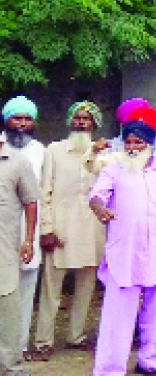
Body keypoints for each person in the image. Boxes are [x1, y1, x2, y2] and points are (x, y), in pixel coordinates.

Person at [88, 106, 156, 375]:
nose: (133, 147)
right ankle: (110, 369)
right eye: (129, 142)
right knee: (117, 315)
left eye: (138, 142)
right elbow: (96, 197)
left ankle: (153, 363)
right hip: (125, 253)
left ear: (150, 143)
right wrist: (101, 210)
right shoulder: (114, 169)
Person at [32, 102, 105, 361]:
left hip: (92, 230)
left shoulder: (103, 154)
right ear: (70, 121)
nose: (81, 122)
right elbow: (44, 192)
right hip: (60, 229)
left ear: (94, 124)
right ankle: (43, 341)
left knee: (86, 286)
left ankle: (75, 336)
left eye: (86, 119)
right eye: (77, 118)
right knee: (52, 288)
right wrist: (47, 228)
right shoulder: (54, 150)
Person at [1, 96, 44, 362]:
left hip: (27, 231)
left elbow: (37, 198)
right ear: (6, 120)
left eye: (27, 119)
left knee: (21, 293)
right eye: (17, 118)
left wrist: (32, 237)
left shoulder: (40, 150)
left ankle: (18, 347)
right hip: (4, 231)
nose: (22, 124)